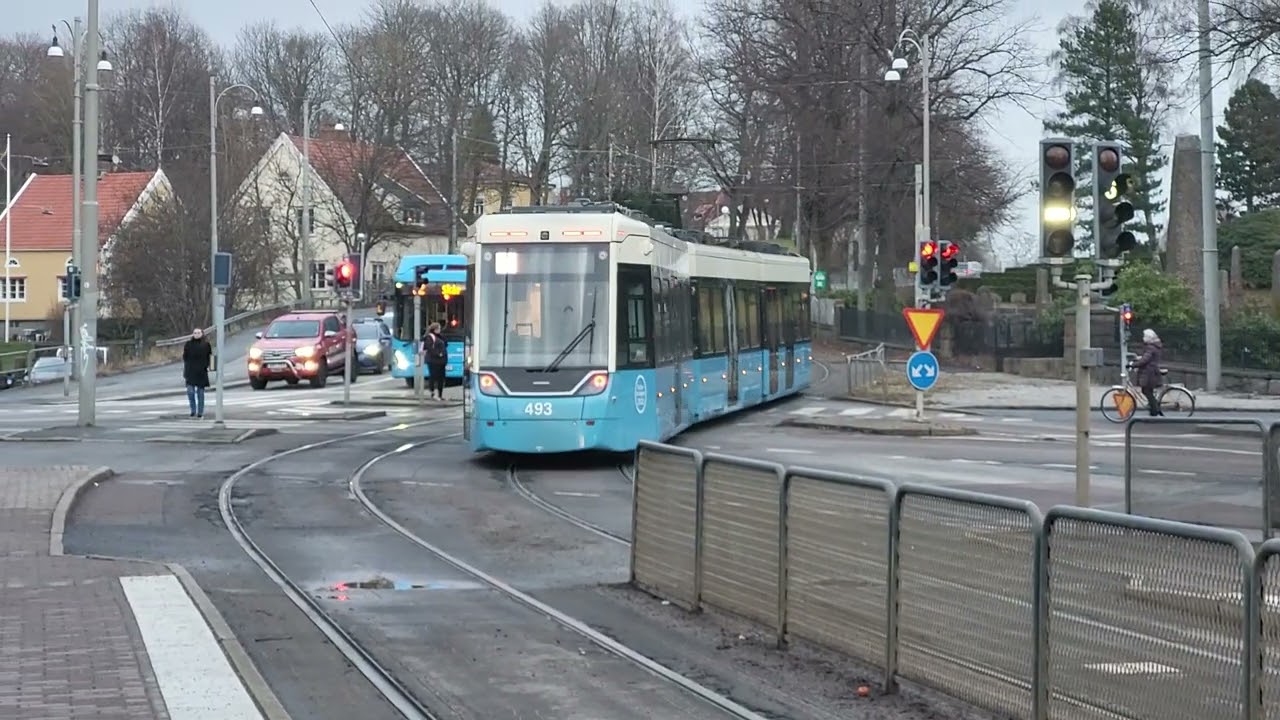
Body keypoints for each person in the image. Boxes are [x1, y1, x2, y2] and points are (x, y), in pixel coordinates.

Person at [1131, 328, 1164, 417]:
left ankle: (1155, 409)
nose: (1143, 338)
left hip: (1149, 373)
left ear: (1149, 338)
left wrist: (1133, 365)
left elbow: (1145, 360)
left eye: (1144, 336)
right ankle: (1153, 409)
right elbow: (1148, 357)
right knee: (1148, 391)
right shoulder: (1154, 346)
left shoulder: (1150, 347)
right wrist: (1140, 358)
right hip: (1151, 372)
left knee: (1146, 391)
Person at [183, 328, 213, 418]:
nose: (196, 334)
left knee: (200, 393)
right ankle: (193, 410)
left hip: (201, 371)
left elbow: (210, 356)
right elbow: (185, 356)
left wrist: (210, 366)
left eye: (198, 333)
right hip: (190, 371)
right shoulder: (188, 344)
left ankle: (200, 412)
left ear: (202, 334)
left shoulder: (206, 345)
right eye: (195, 333)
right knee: (190, 392)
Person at [425, 322, 448, 401]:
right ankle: (433, 393)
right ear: (434, 329)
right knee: (433, 377)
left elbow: (446, 343)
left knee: (441, 378)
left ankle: (440, 395)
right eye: (439, 328)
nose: (440, 330)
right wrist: (438, 354)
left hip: (442, 362)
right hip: (433, 361)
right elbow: (429, 348)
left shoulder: (440, 337)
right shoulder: (430, 337)